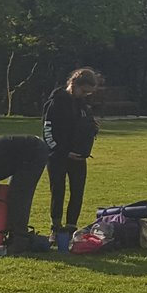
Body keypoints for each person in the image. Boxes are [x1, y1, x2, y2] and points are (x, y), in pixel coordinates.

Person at [42, 67, 101, 251]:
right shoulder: (55, 103)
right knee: (57, 191)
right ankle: (55, 228)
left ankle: (71, 228)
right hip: (58, 157)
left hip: (79, 158)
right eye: (84, 91)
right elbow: (47, 132)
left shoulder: (83, 106)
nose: (85, 95)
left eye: (88, 93)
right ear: (74, 84)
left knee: (77, 192)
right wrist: (64, 152)